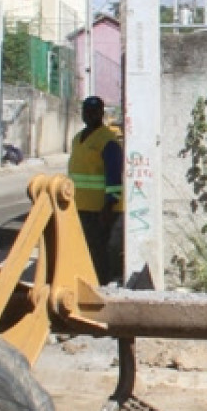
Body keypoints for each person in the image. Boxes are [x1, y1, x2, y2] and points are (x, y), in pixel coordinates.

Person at [68, 95, 124, 284]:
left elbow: (114, 175)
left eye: (94, 111)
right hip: (81, 207)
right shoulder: (78, 138)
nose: (90, 115)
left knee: (101, 251)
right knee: (86, 249)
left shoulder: (107, 140)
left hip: (102, 210)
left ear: (101, 113)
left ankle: (102, 284)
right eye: (87, 111)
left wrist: (110, 204)